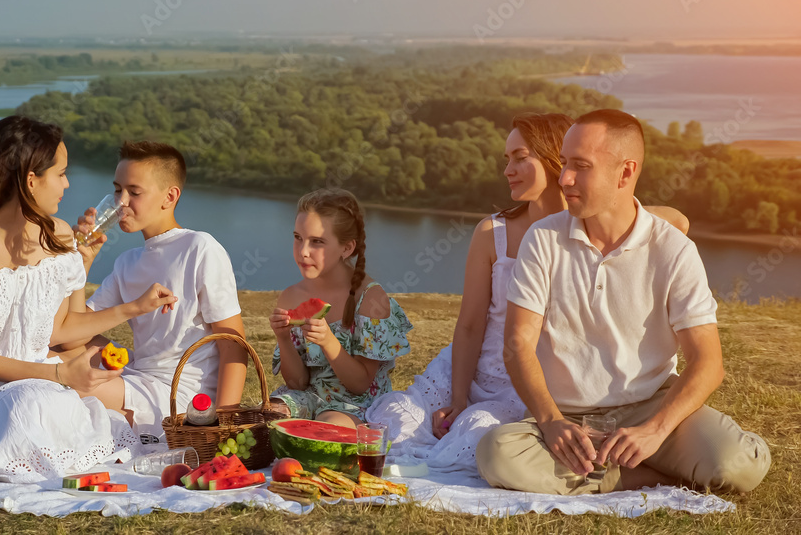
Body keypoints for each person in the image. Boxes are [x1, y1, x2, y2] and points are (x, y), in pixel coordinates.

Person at [364, 113, 690, 475]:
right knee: (397, 427)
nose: (508, 169)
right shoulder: (493, 232)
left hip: (531, 381)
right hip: (474, 368)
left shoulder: (588, 229)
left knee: (472, 439)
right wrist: (458, 397)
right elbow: (470, 325)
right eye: (507, 160)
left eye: (521, 157)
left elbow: (676, 221)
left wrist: (614, 206)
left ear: (555, 159)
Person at [476, 109, 771, 494]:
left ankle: (631, 465)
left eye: (581, 166)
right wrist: (550, 421)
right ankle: (650, 476)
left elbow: (708, 362)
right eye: (564, 164)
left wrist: (655, 430)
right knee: (496, 455)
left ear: (626, 173)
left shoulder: (674, 250)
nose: (564, 179)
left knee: (739, 467)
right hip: (570, 418)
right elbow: (517, 345)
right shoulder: (542, 239)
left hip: (651, 406)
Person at [0, 116, 177, 482]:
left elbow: (64, 330)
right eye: (61, 173)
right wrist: (60, 374)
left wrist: (133, 307)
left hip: (41, 385)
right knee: (29, 405)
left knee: (46, 402)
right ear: (30, 179)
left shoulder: (58, 234)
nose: (68, 184)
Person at [64, 140, 247, 440]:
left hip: (180, 393)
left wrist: (223, 427)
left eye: (134, 192)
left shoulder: (199, 248)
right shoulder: (128, 262)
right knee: (52, 355)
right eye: (117, 190)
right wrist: (80, 264)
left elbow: (233, 345)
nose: (121, 202)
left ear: (170, 196)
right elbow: (73, 331)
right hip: (138, 376)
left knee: (64, 386)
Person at [268, 188, 413, 427]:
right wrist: (283, 339)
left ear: (347, 248)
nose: (303, 251)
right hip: (309, 396)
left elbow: (360, 385)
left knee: (324, 428)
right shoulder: (291, 296)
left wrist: (328, 341)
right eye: (298, 237)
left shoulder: (371, 299)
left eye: (317, 242)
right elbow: (297, 384)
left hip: (357, 404)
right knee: (268, 419)